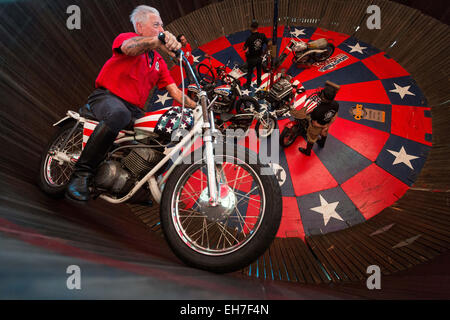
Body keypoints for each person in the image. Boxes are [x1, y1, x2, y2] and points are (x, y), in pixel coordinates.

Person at [66, 5, 196, 201]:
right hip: (107, 98)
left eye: (162, 25)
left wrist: (200, 105)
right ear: (139, 26)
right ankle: (81, 173)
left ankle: (135, 181)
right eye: (156, 25)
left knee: (159, 133)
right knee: (120, 115)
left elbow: (175, 92)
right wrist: (157, 40)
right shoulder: (126, 38)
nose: (162, 29)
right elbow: (129, 48)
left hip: (134, 109)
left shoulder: (159, 62)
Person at [292, 81, 340, 156]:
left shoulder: (317, 110)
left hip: (317, 126)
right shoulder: (336, 104)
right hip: (327, 121)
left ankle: (307, 151)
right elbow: (335, 115)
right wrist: (327, 125)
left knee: (311, 138)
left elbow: (314, 122)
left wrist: (322, 126)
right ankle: (321, 144)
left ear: (324, 98)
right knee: (324, 132)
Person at [243, 20, 272, 89]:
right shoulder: (262, 35)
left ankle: (248, 85)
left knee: (249, 72)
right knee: (259, 70)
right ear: (257, 27)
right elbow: (269, 43)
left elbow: (244, 48)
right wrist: (264, 52)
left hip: (251, 58)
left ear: (252, 28)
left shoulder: (249, 38)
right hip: (259, 57)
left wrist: (247, 49)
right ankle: (259, 82)